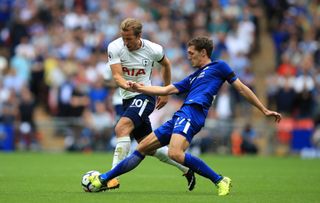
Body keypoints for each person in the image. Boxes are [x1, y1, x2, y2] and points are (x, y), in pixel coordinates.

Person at [90, 36, 282, 195]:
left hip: (194, 112)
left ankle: (220, 179)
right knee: (142, 147)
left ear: (203, 53)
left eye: (191, 53)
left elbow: (241, 89)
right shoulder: (194, 76)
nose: (188, 57)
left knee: (175, 153)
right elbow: (167, 89)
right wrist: (140, 87)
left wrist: (263, 109)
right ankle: (104, 178)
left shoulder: (220, 67)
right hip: (181, 114)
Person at [105, 18, 195, 190]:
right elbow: (117, 76)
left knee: (121, 128)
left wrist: (166, 91)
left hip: (146, 95)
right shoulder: (114, 47)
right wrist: (126, 85)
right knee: (149, 146)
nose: (125, 42)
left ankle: (110, 178)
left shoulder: (153, 49)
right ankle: (186, 168)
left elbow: (166, 65)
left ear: (139, 36)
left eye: (129, 39)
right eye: (123, 38)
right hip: (127, 97)